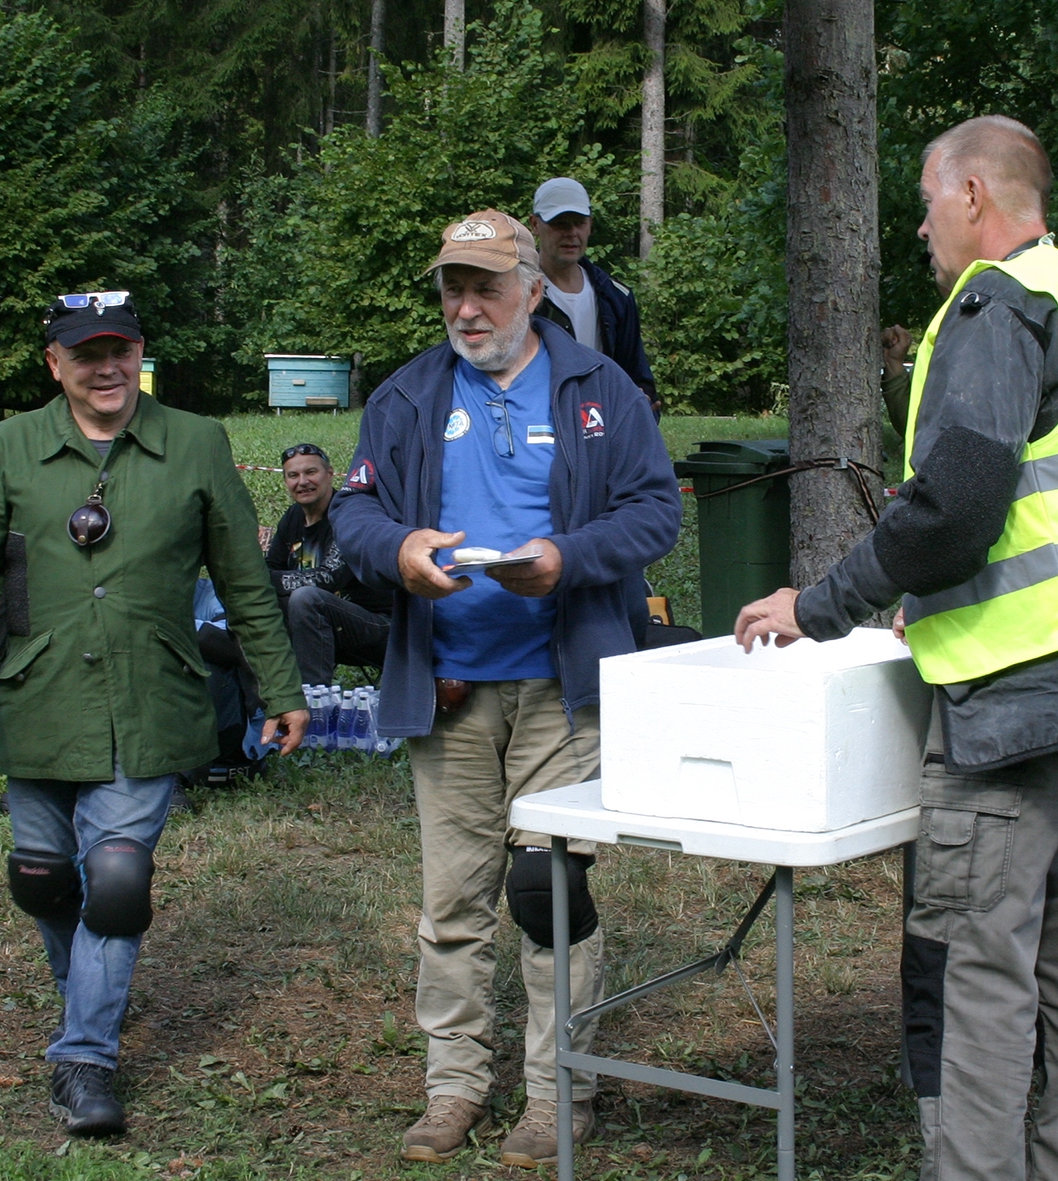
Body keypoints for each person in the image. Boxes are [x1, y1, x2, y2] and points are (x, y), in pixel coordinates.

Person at [733, 116, 1058, 1181]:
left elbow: (955, 507)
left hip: (1014, 698)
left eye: (924, 203)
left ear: (969, 195)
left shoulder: (999, 303)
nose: (919, 228)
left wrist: (820, 604)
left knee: (976, 966)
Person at [330, 210, 679, 1168]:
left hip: (563, 685)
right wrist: (398, 546)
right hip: (449, 684)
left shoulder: (599, 388)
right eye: (454, 288)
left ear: (531, 288)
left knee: (545, 890)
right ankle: (453, 1086)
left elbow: (656, 511)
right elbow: (354, 508)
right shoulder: (406, 395)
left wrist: (567, 557)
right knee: (452, 901)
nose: (468, 308)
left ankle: (557, 1090)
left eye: (486, 287)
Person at [0, 291, 308, 1138]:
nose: (107, 368)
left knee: (117, 879)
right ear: (54, 362)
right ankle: (89, 995)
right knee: (42, 876)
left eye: (121, 350)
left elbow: (245, 582)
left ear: (140, 353)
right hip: (39, 695)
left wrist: (281, 688)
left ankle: (85, 1056)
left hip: (151, 694)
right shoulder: (8, 447)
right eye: (86, 354)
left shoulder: (197, 442)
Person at [528, 177, 659, 416]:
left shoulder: (616, 297)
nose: (571, 233)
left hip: (602, 425)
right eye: (559, 224)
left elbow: (636, 377)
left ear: (590, 224)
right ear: (535, 224)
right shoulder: (517, 296)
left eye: (579, 223)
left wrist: (643, 406)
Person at [264, 442, 392, 686]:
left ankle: (313, 699)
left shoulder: (347, 515)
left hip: (376, 625)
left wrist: (263, 579)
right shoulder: (293, 517)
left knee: (306, 598)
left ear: (330, 474)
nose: (302, 482)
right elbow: (270, 566)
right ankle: (259, 701)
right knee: (254, 603)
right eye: (293, 475)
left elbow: (329, 578)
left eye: (311, 472)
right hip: (317, 623)